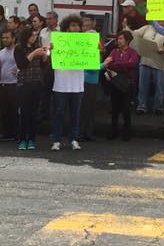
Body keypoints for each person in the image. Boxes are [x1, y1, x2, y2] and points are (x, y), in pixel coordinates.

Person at [49, 14, 85, 151]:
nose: (76, 28)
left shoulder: (84, 42)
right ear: (67, 27)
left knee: (75, 114)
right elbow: (48, 58)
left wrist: (97, 50)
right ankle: (56, 140)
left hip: (77, 84)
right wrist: (51, 50)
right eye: (73, 25)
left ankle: (74, 139)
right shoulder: (58, 40)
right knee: (59, 113)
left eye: (77, 26)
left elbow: (91, 59)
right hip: (61, 84)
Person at [15, 27, 47, 150]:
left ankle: (32, 139)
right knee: (24, 113)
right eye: (32, 35)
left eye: (35, 35)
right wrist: (34, 54)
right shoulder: (19, 48)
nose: (34, 37)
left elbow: (43, 66)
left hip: (36, 83)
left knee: (34, 113)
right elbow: (21, 64)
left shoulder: (37, 47)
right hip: (24, 83)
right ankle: (22, 139)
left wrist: (44, 55)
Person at [103, 30, 139, 140]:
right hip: (115, 83)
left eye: (121, 39)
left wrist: (116, 64)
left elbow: (132, 63)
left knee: (126, 109)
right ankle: (113, 131)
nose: (118, 41)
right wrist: (121, 65)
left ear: (127, 40)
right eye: (118, 39)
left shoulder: (132, 52)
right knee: (114, 108)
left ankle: (127, 133)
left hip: (127, 83)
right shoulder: (114, 51)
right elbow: (108, 63)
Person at [130, 23, 164, 116]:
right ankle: (141, 106)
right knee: (142, 86)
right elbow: (135, 34)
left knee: (159, 87)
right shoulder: (147, 27)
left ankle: (158, 107)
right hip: (145, 61)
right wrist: (127, 28)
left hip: (159, 63)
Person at [79, 15, 104, 142]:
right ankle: (83, 133)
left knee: (88, 108)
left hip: (90, 80)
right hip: (87, 80)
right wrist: (105, 64)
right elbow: (93, 67)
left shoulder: (96, 46)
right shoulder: (84, 46)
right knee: (86, 108)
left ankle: (85, 133)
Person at [0, 30, 18, 142]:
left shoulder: (18, 51)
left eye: (7, 38)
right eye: (3, 38)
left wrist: (18, 72)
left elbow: (23, 65)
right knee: (4, 110)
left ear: (13, 38)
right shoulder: (1, 52)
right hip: (3, 84)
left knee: (14, 110)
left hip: (15, 84)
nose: (5, 40)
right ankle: (7, 133)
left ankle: (15, 133)